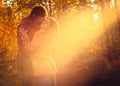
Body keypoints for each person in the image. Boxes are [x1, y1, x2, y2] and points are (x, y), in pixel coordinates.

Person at [17, 6, 59, 86]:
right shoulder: (23, 28)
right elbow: (27, 49)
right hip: (26, 65)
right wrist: (39, 37)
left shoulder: (43, 22)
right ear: (34, 16)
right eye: (41, 18)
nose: (43, 21)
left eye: (44, 18)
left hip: (45, 63)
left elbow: (53, 23)